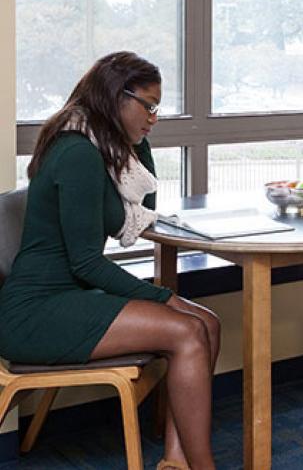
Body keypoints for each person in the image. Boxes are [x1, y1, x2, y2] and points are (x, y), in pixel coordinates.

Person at [0, 52, 220, 470]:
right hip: (37, 308)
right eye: (148, 105)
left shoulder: (104, 148)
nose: (154, 116)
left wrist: (141, 139)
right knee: (189, 331)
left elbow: (146, 209)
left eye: (157, 108)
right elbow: (85, 262)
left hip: (70, 294)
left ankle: (176, 461)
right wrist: (162, 297)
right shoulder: (79, 153)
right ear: (114, 95)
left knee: (207, 322)